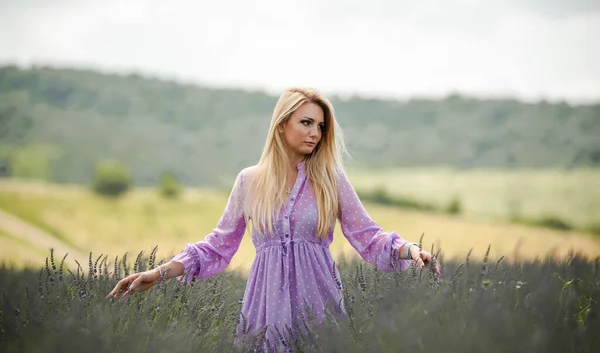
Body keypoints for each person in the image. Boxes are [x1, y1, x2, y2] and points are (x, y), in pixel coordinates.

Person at [107, 87, 439, 347]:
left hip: (318, 303)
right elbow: (215, 247)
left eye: (320, 126)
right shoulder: (249, 182)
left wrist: (410, 249)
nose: (315, 133)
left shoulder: (330, 180)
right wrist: (158, 273)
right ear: (281, 126)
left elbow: (369, 236)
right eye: (306, 122)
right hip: (265, 306)